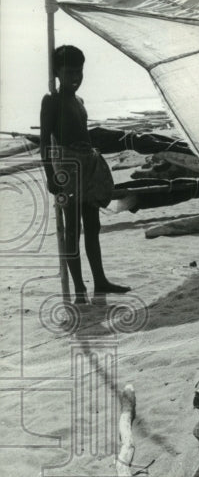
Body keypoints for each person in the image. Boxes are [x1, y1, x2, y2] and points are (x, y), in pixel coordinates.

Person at [40, 45, 130, 304]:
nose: (75, 77)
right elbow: (45, 142)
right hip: (66, 170)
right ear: (57, 72)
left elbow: (84, 135)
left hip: (87, 167)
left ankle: (100, 281)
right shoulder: (51, 101)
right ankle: (79, 288)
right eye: (69, 72)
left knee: (93, 225)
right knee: (72, 229)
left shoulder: (78, 102)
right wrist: (50, 175)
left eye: (79, 72)